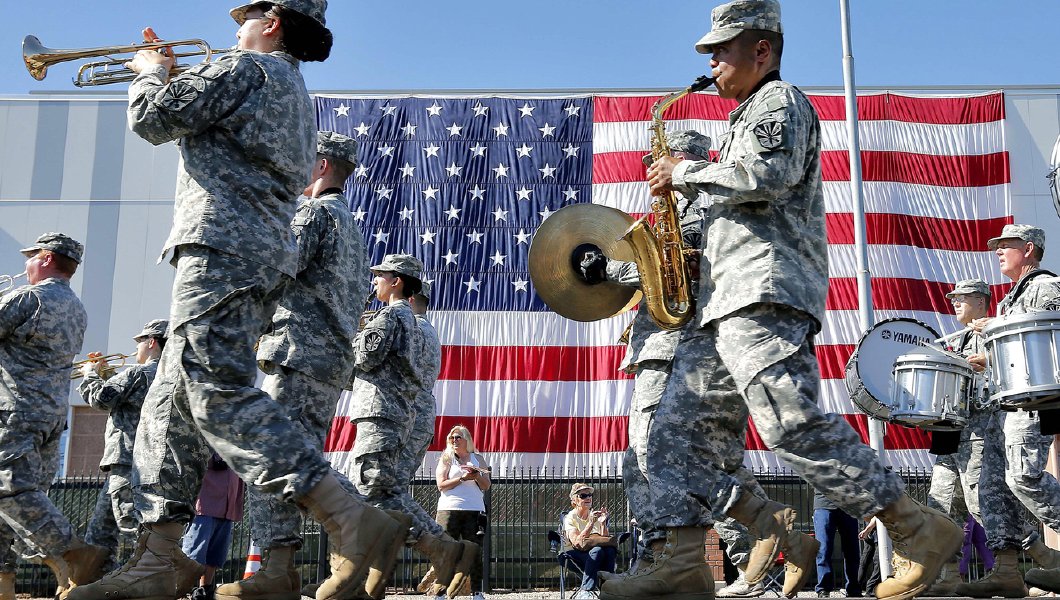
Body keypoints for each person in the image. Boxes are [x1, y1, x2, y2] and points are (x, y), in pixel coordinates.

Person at [603, 2, 963, 599]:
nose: (713, 63)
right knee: (669, 437)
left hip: (764, 292)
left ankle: (914, 525)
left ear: (762, 51)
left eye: (722, 50)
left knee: (787, 422)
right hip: (720, 307)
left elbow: (767, 174)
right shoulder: (743, 116)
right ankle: (684, 566)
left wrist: (687, 171)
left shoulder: (780, 101)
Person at [69, 4, 408, 600]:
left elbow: (152, 118)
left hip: (220, 245)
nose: (235, 25)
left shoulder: (248, 68)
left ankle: (347, 515)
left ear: (273, 20)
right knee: (170, 409)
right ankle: (156, 558)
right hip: (244, 253)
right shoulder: (294, 90)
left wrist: (151, 70)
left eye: (246, 13)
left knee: (216, 392)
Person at [591, 131, 817, 600]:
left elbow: (681, 267)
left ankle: (668, 557)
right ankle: (779, 542)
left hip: (681, 346)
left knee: (651, 451)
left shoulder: (706, 206)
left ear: (686, 160)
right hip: (673, 343)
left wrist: (612, 270)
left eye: (664, 160)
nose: (655, 171)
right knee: (715, 460)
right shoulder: (677, 209)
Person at [217, 129, 377, 600]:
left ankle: (280, 567)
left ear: (322, 165)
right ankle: (350, 546)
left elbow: (276, 270)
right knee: (300, 458)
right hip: (325, 360)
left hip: (298, 352)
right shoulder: (349, 225)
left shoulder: (313, 214)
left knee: (277, 459)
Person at [349, 254, 478, 597]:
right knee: (386, 495)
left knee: (381, 495)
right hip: (411, 417)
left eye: (381, 277)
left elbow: (373, 363)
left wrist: (358, 334)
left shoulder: (405, 321)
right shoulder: (424, 328)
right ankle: (373, 579)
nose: (374, 282)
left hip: (398, 415)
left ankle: (441, 553)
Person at [0, 232, 107, 600]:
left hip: (15, 408)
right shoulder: (77, 309)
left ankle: (73, 551)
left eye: (30, 257)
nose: (25, 265)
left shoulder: (28, 297)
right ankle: (4, 583)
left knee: (7, 486)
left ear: (46, 259)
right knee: (12, 501)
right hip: (51, 414)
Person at [958, 224, 1060, 596]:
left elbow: (1054, 337)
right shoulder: (1010, 298)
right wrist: (987, 358)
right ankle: (1006, 571)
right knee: (992, 489)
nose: (999, 252)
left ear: (1029, 249)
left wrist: (998, 325)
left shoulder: (1046, 287)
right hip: (1006, 403)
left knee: (1025, 476)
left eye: (1007, 246)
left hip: (1035, 401)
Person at [77, 319, 168, 574]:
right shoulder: (169, 375)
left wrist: (90, 374)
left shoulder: (138, 373)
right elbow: (124, 395)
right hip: (147, 459)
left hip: (127, 459)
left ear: (151, 342)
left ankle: (165, 571)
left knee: (130, 521)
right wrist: (106, 375)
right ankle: (98, 579)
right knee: (101, 528)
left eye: (140, 342)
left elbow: (101, 399)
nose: (136, 348)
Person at [434, 425, 490, 600]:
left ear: (467, 440)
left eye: (458, 437)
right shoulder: (446, 459)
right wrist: (462, 478)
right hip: (449, 510)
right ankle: (441, 593)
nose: (454, 440)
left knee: (474, 552)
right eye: (452, 438)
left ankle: (477, 592)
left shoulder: (477, 458)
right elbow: (441, 485)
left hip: (474, 510)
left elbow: (486, 485)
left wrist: (476, 476)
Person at [182, 454, 245, 600]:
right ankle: (184, 589)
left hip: (228, 505)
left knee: (216, 554)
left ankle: (205, 589)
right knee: (194, 552)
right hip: (206, 502)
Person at [563, 484, 618, 599]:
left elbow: (603, 538)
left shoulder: (592, 514)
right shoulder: (570, 518)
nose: (588, 498)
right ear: (574, 500)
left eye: (589, 495)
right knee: (597, 551)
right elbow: (576, 542)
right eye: (583, 495)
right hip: (572, 552)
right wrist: (591, 523)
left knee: (609, 550)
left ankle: (607, 588)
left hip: (592, 552)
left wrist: (602, 523)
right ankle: (586, 590)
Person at [812, 490, 862, 598]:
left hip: (849, 505)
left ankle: (853, 587)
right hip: (824, 503)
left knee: (852, 550)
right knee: (823, 549)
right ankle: (823, 588)